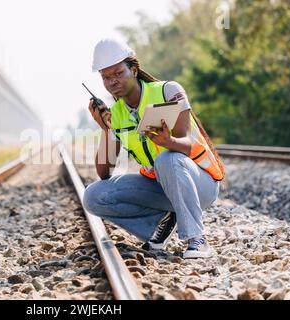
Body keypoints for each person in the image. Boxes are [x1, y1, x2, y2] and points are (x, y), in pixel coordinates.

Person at [82, 38, 225, 259]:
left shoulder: (168, 91)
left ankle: (197, 238)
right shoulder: (116, 114)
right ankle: (159, 225)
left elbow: (186, 144)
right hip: (162, 187)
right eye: (106, 77)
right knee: (93, 196)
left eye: (118, 74)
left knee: (168, 159)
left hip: (200, 184)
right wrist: (106, 130)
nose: (112, 82)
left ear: (134, 70)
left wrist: (168, 142)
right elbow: (104, 173)